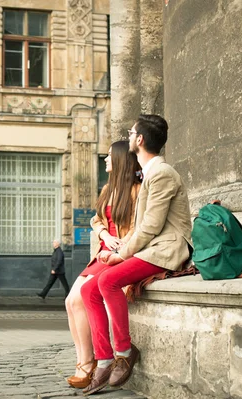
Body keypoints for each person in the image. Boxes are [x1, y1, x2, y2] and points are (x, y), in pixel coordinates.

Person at [81, 114, 193, 395]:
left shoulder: (163, 173)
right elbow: (142, 226)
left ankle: (124, 352)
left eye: (131, 133)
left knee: (107, 282)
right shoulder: (151, 174)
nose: (128, 137)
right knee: (89, 291)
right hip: (150, 246)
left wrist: (121, 256)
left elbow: (152, 227)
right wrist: (119, 248)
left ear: (139, 140)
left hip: (167, 248)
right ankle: (104, 359)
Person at [64, 140, 142, 389]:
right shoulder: (108, 189)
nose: (106, 160)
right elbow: (96, 220)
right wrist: (105, 235)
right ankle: (83, 361)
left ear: (120, 160)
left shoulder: (137, 190)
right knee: (69, 301)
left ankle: (90, 364)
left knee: (78, 300)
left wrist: (122, 244)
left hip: (119, 254)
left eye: (109, 156)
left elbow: (141, 227)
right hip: (102, 251)